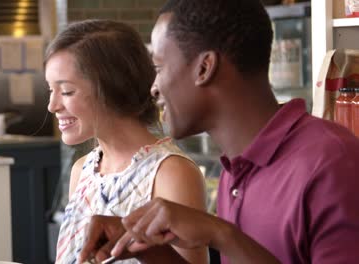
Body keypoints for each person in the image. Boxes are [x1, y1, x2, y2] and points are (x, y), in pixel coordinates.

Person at [79, 0, 359, 263]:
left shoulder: (332, 161)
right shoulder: (233, 172)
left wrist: (220, 234)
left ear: (204, 68)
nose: (153, 87)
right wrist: (147, 249)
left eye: (159, 67)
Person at [45, 19, 208, 263]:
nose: (52, 106)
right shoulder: (83, 170)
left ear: (112, 87)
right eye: (51, 90)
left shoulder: (170, 173)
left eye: (67, 91)